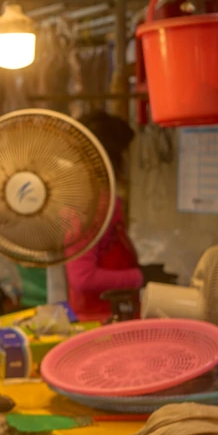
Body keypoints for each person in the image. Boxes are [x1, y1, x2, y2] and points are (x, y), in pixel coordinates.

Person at [65, 111, 142, 318]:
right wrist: (138, 277)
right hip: (99, 323)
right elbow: (82, 277)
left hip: (119, 314)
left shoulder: (105, 201)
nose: (128, 162)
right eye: (126, 153)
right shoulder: (87, 207)